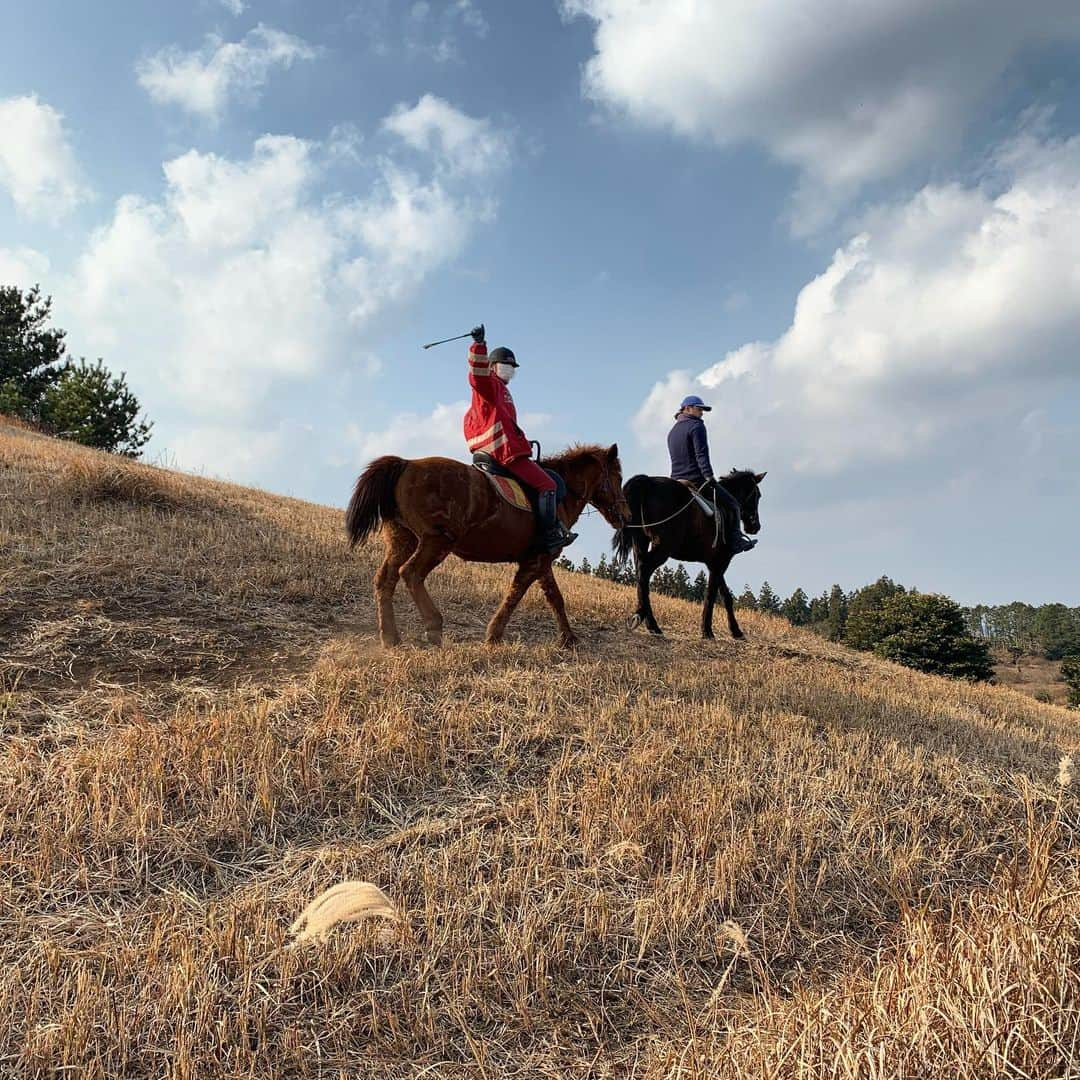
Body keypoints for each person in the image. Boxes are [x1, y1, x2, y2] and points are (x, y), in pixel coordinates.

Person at [464, 324, 577, 553]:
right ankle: (550, 535)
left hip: (495, 452)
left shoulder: (501, 391)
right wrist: (479, 346)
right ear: (493, 366)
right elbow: (477, 376)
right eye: (506, 365)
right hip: (503, 454)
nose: (510, 370)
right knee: (548, 484)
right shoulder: (491, 385)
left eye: (512, 367)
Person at [667, 395, 756, 554]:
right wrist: (709, 476)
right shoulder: (696, 426)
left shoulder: (673, 431)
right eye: (699, 408)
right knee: (733, 505)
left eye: (703, 410)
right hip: (696, 479)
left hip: (676, 479)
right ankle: (737, 541)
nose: (702, 413)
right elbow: (701, 455)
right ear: (687, 408)